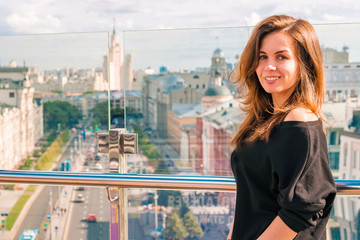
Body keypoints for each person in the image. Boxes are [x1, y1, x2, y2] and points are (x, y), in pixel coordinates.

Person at [227, 15, 336, 240]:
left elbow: (302, 209)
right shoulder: (266, 119)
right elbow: (249, 202)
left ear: (303, 64)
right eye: (262, 56)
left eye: (281, 57)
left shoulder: (300, 122)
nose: (269, 66)